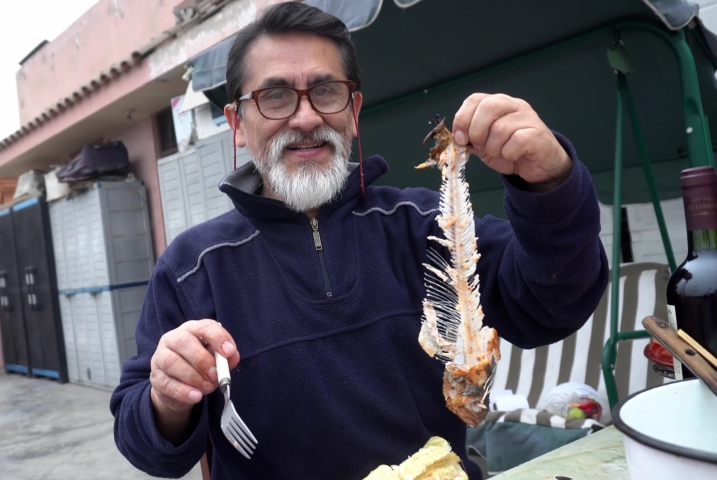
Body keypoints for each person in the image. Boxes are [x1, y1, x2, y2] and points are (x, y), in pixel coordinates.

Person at [110, 3, 609, 480]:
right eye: (276, 96)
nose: (305, 118)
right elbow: (146, 445)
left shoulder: (427, 222)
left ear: (353, 110)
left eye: (325, 91)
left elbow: (551, 303)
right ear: (238, 122)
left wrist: (550, 185)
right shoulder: (192, 268)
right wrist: (166, 399)